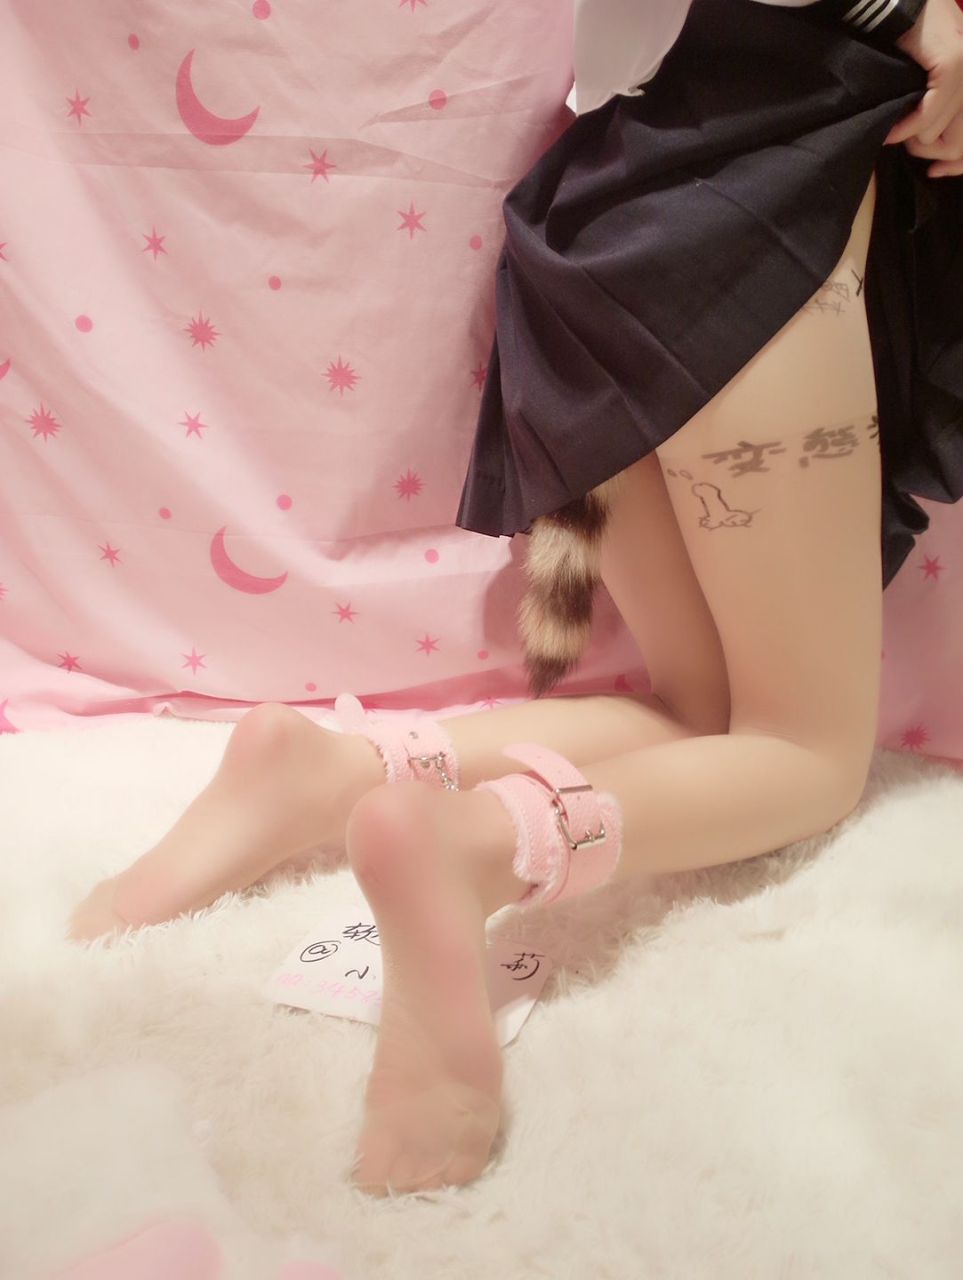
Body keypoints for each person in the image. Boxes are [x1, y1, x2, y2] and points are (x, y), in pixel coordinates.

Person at [70, 0, 963, 1199]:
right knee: (808, 756)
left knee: (703, 714)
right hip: (750, 237)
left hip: (622, 216)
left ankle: (332, 772)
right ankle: (477, 848)